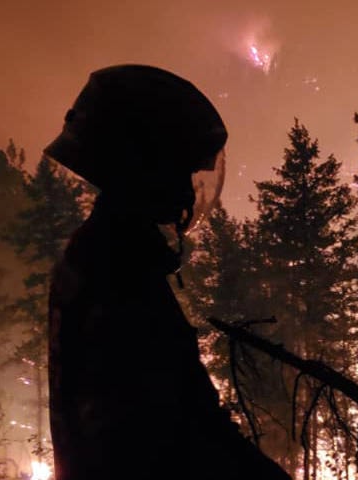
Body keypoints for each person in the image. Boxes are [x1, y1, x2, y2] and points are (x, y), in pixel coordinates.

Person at [45, 64, 290, 480]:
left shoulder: (106, 255)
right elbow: (181, 430)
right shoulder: (118, 273)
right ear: (145, 166)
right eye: (180, 171)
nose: (185, 190)